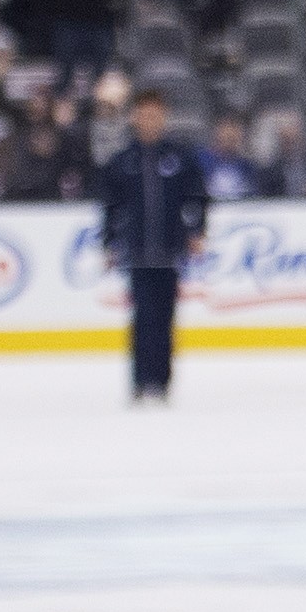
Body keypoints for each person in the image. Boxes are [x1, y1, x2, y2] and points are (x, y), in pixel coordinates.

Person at [97, 87, 208, 405]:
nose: (149, 121)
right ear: (135, 118)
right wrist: (109, 242)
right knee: (142, 317)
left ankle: (162, 381)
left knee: (165, 318)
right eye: (144, 115)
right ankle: (140, 380)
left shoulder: (179, 158)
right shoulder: (123, 161)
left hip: (170, 251)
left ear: (164, 117)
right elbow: (110, 206)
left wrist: (197, 230)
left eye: (155, 115)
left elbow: (198, 196)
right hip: (137, 252)